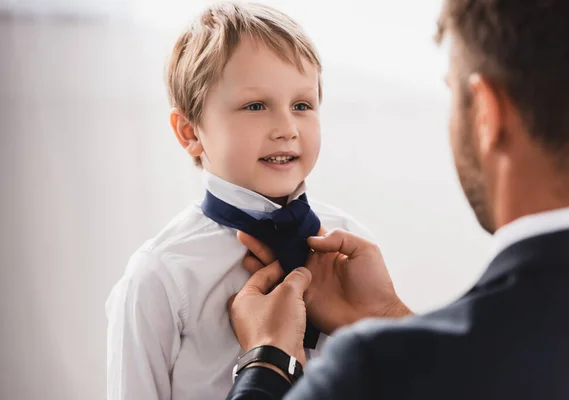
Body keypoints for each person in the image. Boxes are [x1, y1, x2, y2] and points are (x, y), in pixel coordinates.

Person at [225, 0, 569, 398]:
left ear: (487, 113)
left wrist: (267, 359)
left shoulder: (372, 374)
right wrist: (389, 315)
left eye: (453, 94)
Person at [104, 3, 379, 399]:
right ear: (189, 132)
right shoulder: (159, 278)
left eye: (302, 105)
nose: (287, 129)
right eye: (256, 106)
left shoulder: (351, 245)